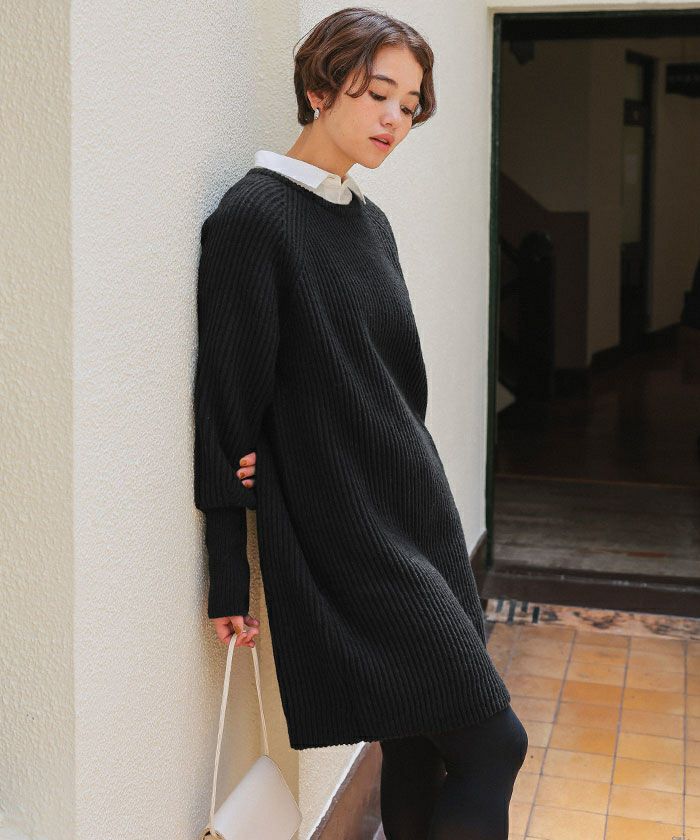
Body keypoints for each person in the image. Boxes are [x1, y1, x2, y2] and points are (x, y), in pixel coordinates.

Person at [193, 7, 528, 838]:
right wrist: (229, 572)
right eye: (377, 94)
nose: (394, 119)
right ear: (318, 88)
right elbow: (228, 405)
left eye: (409, 105)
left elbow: (386, 389)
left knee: (416, 743)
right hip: (351, 534)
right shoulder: (254, 218)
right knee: (495, 744)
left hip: (415, 511)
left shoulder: (369, 222)